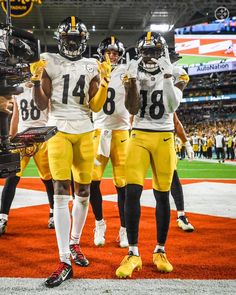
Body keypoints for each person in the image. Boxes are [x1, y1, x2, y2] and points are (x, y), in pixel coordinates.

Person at [30, 16, 111, 288]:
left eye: (77, 39)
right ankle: (64, 259)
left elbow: (96, 106)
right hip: (58, 130)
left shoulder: (92, 65)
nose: (73, 43)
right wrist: (35, 81)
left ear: (83, 41)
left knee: (85, 191)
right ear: (61, 40)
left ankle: (75, 243)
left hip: (86, 130)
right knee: (61, 190)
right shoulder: (48, 61)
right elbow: (43, 104)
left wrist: (105, 84)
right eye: (69, 39)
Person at [115, 31, 188, 278]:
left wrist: (167, 76)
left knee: (162, 195)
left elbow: (171, 106)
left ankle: (160, 250)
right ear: (139, 53)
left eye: (154, 51)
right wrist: (132, 81)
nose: (149, 56)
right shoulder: (132, 71)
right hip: (139, 135)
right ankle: (133, 253)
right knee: (132, 192)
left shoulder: (177, 72)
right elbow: (133, 108)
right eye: (145, 51)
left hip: (165, 137)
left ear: (163, 52)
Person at [0, 82, 54, 236]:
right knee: (12, 177)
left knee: (49, 178)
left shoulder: (44, 86)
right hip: (22, 138)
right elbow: (16, 114)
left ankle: (53, 212)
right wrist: (10, 138)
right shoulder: (19, 88)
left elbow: (51, 112)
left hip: (41, 136)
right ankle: (2, 217)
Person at [90, 36, 129, 248]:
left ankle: (123, 229)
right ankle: (99, 223)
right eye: (109, 52)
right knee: (93, 181)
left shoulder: (127, 71)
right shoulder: (93, 69)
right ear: (102, 52)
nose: (113, 55)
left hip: (122, 132)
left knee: (122, 184)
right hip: (99, 130)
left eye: (116, 52)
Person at [172, 113, 194, 232]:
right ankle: (126, 222)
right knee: (132, 181)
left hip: (164, 139)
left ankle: (181, 215)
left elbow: (175, 120)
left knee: (172, 178)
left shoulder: (167, 95)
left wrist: (187, 143)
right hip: (140, 138)